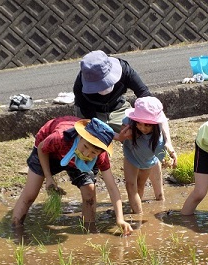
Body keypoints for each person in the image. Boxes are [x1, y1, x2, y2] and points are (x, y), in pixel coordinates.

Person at [73, 50, 177, 198]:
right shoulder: (80, 87)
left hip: (119, 109)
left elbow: (153, 109)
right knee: (91, 149)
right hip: (94, 117)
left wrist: (168, 141)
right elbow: (94, 125)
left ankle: (159, 196)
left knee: (146, 138)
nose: (103, 88)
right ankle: (90, 194)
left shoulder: (125, 70)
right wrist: (117, 137)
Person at [11, 116, 133, 235]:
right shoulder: (60, 137)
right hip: (49, 152)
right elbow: (42, 148)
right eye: (85, 147)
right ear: (80, 136)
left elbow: (112, 187)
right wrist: (48, 178)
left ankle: (89, 230)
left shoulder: (100, 156)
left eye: (93, 153)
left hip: (80, 164)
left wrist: (120, 219)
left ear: (100, 153)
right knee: (30, 193)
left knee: (89, 192)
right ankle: (15, 229)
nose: (85, 153)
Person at [122, 96, 177, 214]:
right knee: (131, 186)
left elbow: (165, 159)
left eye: (147, 125)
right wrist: (127, 133)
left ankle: (139, 208)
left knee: (140, 186)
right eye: (139, 124)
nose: (142, 128)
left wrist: (170, 161)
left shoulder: (158, 142)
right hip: (131, 156)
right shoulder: (129, 122)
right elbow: (122, 131)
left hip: (147, 162)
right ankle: (138, 215)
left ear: (155, 125)